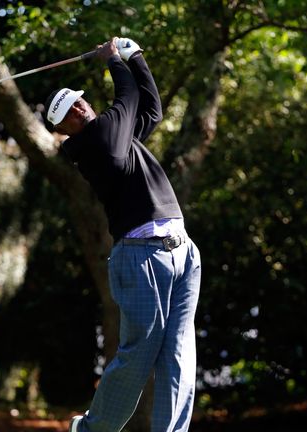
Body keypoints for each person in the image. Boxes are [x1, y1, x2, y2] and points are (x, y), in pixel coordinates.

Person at [44, 37, 202, 432]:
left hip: (182, 251)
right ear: (63, 129)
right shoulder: (94, 143)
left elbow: (150, 108)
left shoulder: (115, 136)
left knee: (179, 354)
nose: (79, 108)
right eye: (69, 111)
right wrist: (114, 60)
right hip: (141, 257)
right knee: (137, 354)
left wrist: (137, 58)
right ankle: (93, 428)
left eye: (78, 101)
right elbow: (127, 96)